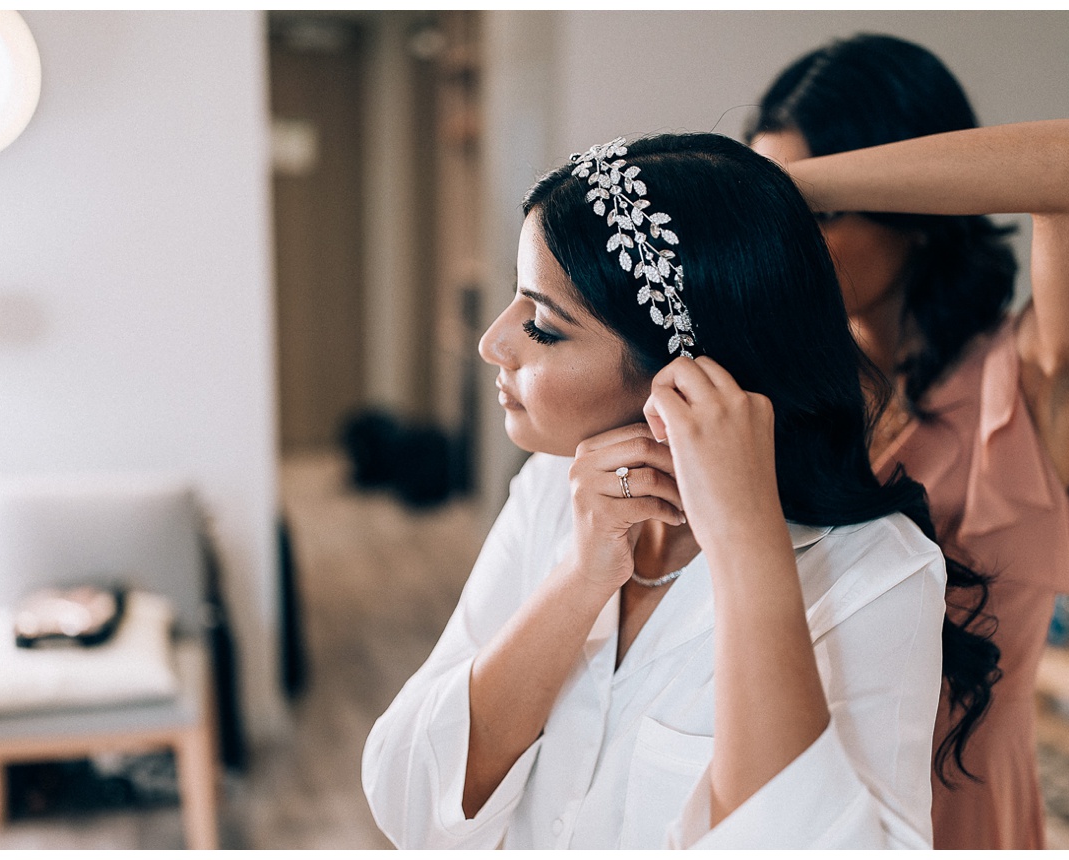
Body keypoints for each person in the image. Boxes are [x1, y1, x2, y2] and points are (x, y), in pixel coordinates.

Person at [362, 132, 999, 849]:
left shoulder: (875, 575)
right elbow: (408, 798)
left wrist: (746, 543)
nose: (492, 343)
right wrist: (580, 578)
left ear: (690, 374)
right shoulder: (552, 490)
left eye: (541, 326)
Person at [747, 33, 1069, 850]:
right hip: (802, 796)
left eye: (817, 215)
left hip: (959, 805)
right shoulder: (793, 396)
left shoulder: (1024, 384)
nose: (790, 244)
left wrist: (770, 188)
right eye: (780, 218)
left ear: (914, 213)